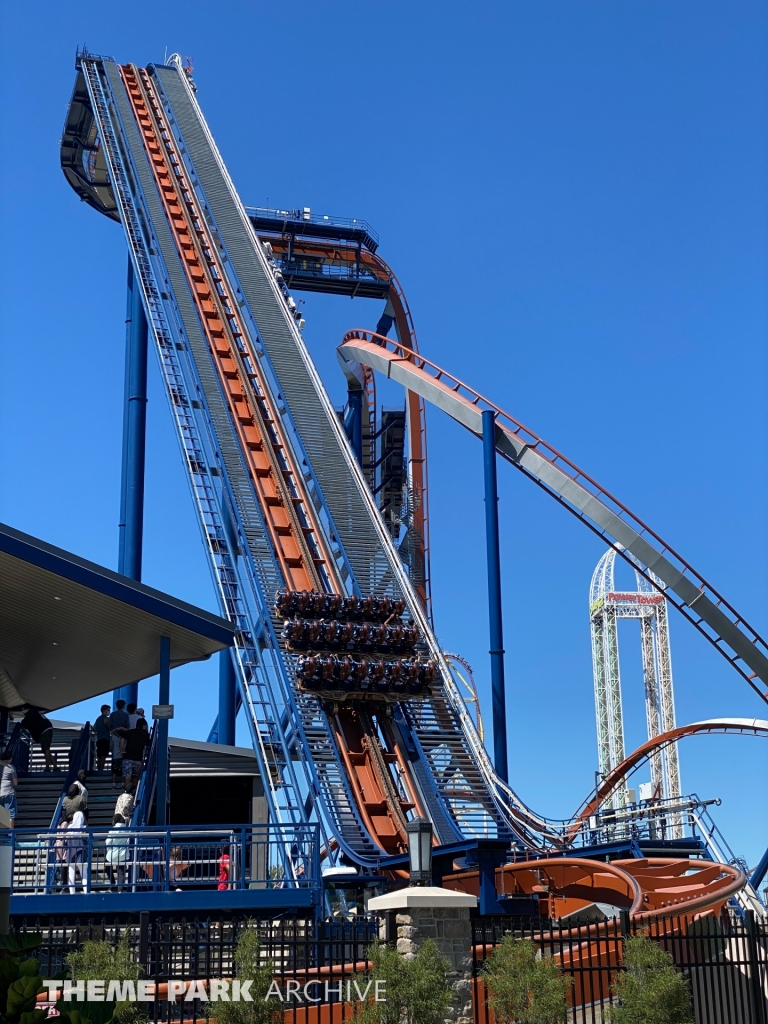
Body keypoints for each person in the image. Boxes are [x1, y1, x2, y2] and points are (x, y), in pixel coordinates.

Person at [120, 718, 150, 793]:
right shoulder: (145, 734)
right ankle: (135, 793)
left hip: (127, 757)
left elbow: (122, 739)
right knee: (136, 776)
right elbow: (148, 744)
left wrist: (121, 750)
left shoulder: (130, 732)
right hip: (138, 759)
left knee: (127, 775)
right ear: (144, 726)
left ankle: (127, 792)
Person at [105, 813, 129, 890]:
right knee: (121, 871)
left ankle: (112, 884)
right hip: (123, 853)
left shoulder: (113, 830)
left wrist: (109, 850)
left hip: (112, 854)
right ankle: (120, 888)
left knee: (107, 867)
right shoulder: (126, 829)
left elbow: (108, 842)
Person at [66, 808, 87, 893]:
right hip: (82, 853)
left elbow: (65, 841)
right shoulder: (84, 829)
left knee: (71, 874)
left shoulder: (69, 829)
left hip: (71, 854)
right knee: (84, 874)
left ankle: (72, 893)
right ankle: (86, 892)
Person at [0, 752, 18, 827]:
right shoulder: (10, 767)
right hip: (9, 792)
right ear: (10, 758)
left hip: (0, 792)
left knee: (1, 813)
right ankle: (11, 834)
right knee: (11, 814)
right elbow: (15, 782)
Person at [94, 705, 111, 771]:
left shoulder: (98, 719)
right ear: (104, 710)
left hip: (99, 739)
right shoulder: (106, 718)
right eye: (108, 710)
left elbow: (94, 728)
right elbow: (109, 728)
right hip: (105, 739)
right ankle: (101, 769)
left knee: (99, 756)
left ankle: (98, 769)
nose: (109, 712)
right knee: (104, 755)